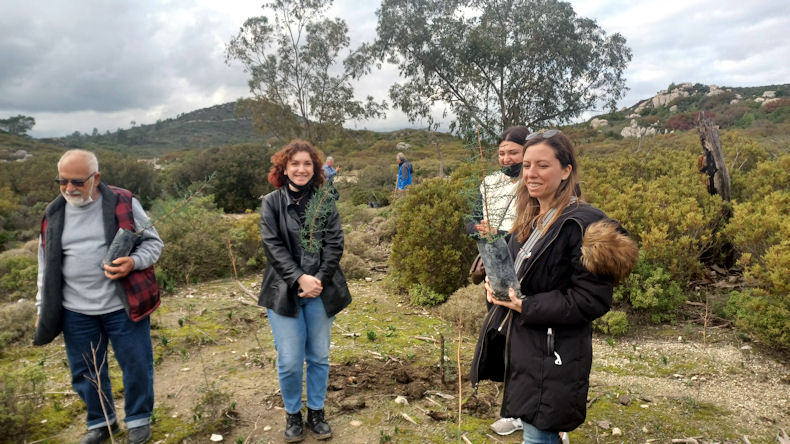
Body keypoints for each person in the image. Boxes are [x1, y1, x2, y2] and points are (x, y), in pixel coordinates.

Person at [470, 130, 638, 444]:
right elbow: (522, 276)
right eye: (527, 165)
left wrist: (525, 305)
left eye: (543, 165)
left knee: (538, 433)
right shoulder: (530, 217)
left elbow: (591, 300)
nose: (531, 173)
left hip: (553, 354)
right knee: (536, 429)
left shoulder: (585, 225)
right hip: (526, 348)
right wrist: (495, 286)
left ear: (566, 171)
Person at [34, 149, 163, 444]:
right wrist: (42, 305)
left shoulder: (124, 202)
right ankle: (101, 422)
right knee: (85, 371)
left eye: (77, 181)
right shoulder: (53, 214)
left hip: (122, 304)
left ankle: (139, 419)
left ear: (97, 178)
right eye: (62, 181)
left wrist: (133, 262)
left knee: (136, 363)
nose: (69, 188)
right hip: (75, 310)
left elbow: (154, 243)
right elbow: (44, 264)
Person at [258, 139, 352, 443]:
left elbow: (335, 243)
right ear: (284, 168)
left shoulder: (325, 201)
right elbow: (273, 247)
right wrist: (300, 278)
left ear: (315, 169)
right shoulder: (271, 202)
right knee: (288, 360)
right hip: (283, 290)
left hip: (321, 291)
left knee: (319, 356)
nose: (301, 169)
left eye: (307, 164)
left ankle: (316, 413)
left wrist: (318, 280)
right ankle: (293, 415)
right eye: (294, 164)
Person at [465, 125, 529, 436]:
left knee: (528, 340)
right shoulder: (488, 182)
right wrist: (480, 229)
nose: (506, 158)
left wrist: (502, 235)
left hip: (526, 268)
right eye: (502, 152)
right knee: (502, 338)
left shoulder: (532, 182)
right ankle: (515, 411)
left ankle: (543, 417)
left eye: (513, 152)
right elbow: (472, 220)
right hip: (495, 268)